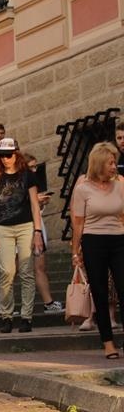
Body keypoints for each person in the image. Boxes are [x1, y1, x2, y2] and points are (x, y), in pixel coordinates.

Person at [70, 142, 124, 359]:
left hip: (119, 240)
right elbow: (78, 223)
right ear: (99, 163)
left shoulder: (120, 185)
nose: (114, 166)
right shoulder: (83, 189)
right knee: (100, 293)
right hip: (93, 242)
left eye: (114, 162)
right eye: (110, 163)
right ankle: (108, 343)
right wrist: (76, 251)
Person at [0, 139, 45, 333]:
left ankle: (26, 317)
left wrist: (38, 231)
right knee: (7, 272)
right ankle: (6, 315)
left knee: (26, 271)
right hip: (2, 227)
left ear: (16, 154)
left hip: (25, 225)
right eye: (2, 155)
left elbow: (35, 205)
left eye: (8, 155)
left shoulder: (27, 175)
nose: (5, 159)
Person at [23, 153, 64, 313]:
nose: (34, 170)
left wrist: (40, 202)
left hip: (37, 226)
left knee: (40, 266)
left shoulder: (34, 182)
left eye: (35, 166)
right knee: (18, 269)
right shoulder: (18, 182)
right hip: (21, 227)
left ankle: (48, 302)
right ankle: (12, 306)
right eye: (31, 167)